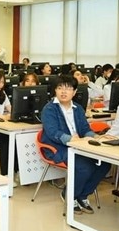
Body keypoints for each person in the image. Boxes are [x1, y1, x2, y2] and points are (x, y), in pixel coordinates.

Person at [40, 75, 111, 215]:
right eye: (60, 88)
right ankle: (69, 195)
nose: (63, 92)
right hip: (58, 147)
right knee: (84, 166)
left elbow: (85, 129)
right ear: (55, 90)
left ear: (74, 91)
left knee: (104, 164)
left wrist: (96, 137)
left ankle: (82, 195)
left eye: (68, 88)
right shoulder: (49, 109)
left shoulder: (77, 108)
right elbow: (53, 132)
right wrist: (73, 140)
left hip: (79, 146)